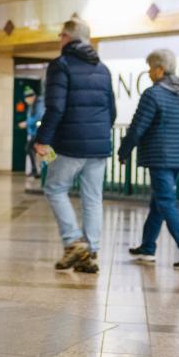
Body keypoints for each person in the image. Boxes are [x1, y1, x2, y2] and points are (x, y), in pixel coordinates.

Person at [34, 14, 116, 274]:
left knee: (55, 188)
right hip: (99, 144)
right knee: (93, 198)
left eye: (61, 35)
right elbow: (111, 110)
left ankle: (73, 241)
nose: (60, 40)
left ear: (67, 37)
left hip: (71, 142)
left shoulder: (61, 65)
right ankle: (90, 253)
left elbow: (55, 106)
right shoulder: (102, 68)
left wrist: (43, 140)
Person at [118, 48, 179, 270]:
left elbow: (138, 128)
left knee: (165, 202)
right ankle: (147, 247)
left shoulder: (153, 94)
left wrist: (124, 151)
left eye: (150, 68)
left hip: (160, 157)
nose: (148, 73)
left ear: (160, 69)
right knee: (159, 201)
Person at [18, 86, 44, 177]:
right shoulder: (32, 105)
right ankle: (37, 170)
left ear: (32, 97)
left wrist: (26, 123)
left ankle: (37, 170)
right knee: (36, 150)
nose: (26, 100)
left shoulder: (39, 104)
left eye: (27, 98)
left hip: (39, 132)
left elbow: (39, 117)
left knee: (32, 148)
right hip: (34, 132)